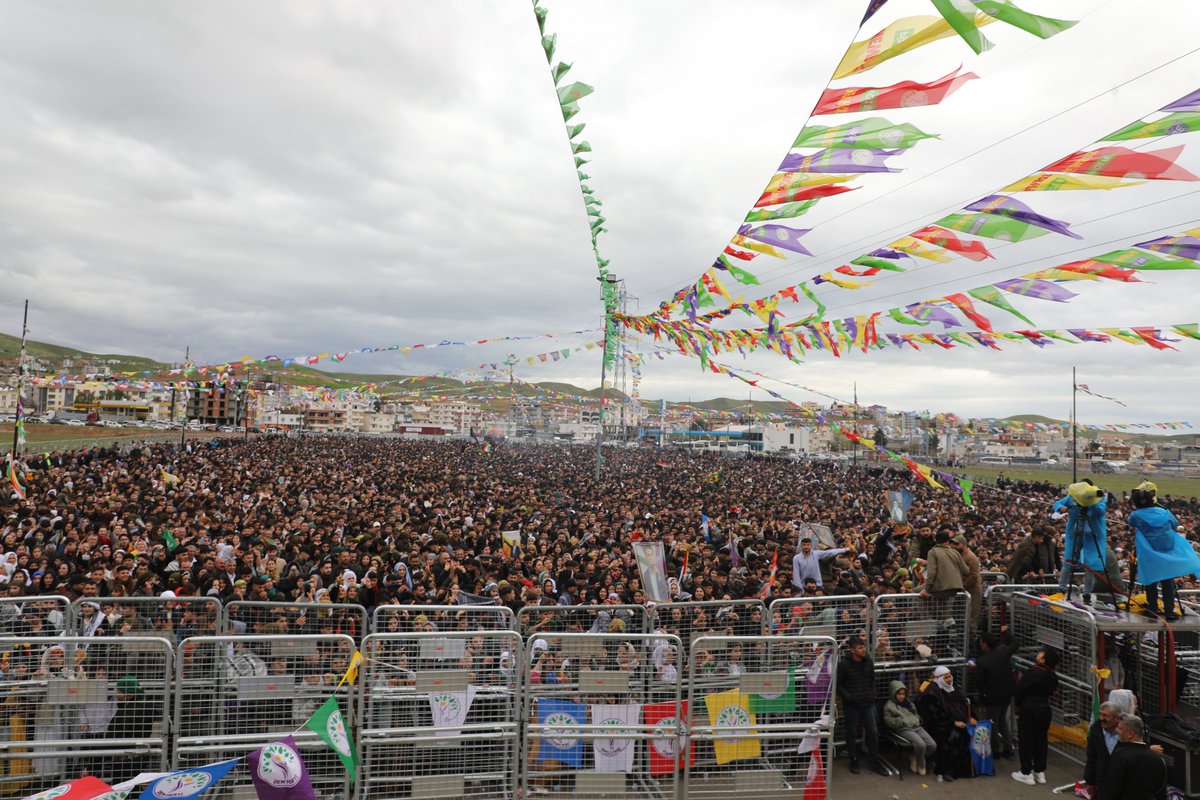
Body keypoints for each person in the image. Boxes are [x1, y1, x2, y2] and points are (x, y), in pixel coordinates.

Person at [1129, 481, 1200, 620]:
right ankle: (1169, 610)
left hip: (1149, 553)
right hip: (1166, 552)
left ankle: (1153, 609)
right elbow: (1174, 523)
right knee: (1167, 582)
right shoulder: (1164, 512)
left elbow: (1131, 522)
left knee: (1150, 581)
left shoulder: (1136, 515)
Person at [836, 636, 887, 776]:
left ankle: (874, 761)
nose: (863, 649)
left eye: (863, 646)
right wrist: (849, 697)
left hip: (868, 703)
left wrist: (873, 694)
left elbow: (872, 679)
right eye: (860, 647)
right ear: (852, 650)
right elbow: (838, 684)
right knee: (851, 733)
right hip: (852, 705)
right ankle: (854, 760)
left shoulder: (868, 662)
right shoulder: (844, 665)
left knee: (873, 732)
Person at [1011, 647, 1060, 786]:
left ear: (1043, 660)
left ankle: (1026, 772)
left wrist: (1019, 703)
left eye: (1041, 654)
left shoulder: (1033, 672)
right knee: (1041, 739)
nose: (1038, 654)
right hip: (1045, 709)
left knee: (1026, 740)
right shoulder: (1052, 675)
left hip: (1029, 709)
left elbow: (1021, 689)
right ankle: (1039, 771)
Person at [918, 665, 975, 782]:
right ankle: (947, 771)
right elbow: (936, 715)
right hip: (940, 726)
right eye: (946, 677)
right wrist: (953, 723)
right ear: (939, 678)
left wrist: (970, 718)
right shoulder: (932, 693)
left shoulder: (952, 689)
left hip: (957, 722)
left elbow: (962, 704)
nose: (949, 679)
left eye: (950, 676)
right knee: (954, 736)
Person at [1055, 480, 1108, 603]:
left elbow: (1100, 512)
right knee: (1068, 560)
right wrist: (1062, 508)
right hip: (1075, 532)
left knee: (1090, 564)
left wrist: (1090, 502)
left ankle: (1087, 593)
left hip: (1092, 534)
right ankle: (1061, 588)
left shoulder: (1098, 499)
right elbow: (1057, 504)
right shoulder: (1072, 497)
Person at [1096, 714, 1168, 800]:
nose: (1116, 730)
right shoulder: (1158, 760)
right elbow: (1161, 793)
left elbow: (1109, 791)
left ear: (1130, 734)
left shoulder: (1120, 757)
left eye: (1120, 728)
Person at [973, 632, 1016, 759]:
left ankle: (995, 750)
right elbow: (1015, 644)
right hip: (1006, 694)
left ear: (985, 644)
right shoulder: (1003, 650)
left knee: (993, 723)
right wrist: (1006, 632)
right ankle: (1008, 748)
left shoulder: (982, 662)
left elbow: (979, 681)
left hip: (992, 698)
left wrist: (973, 669)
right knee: (1002, 721)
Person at [883, 681, 936, 775]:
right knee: (920, 744)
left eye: (903, 694)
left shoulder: (908, 703)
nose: (901, 696)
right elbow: (888, 721)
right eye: (899, 694)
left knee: (932, 745)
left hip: (916, 726)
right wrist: (901, 721)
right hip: (904, 729)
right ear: (893, 693)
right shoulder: (889, 706)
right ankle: (921, 765)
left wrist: (917, 720)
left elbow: (915, 713)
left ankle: (915, 756)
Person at [1082, 702, 1121, 798]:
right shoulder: (1096, 730)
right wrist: (1089, 781)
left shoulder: (1126, 732)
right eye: (1100, 714)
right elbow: (1092, 757)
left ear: (1117, 718)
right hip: (1101, 782)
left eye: (1105, 715)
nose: (1101, 718)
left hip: (1121, 783)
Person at [919, 531, 968, 600]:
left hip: (940, 589)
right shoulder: (955, 552)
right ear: (948, 541)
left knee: (914, 592)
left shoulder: (933, 552)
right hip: (956, 588)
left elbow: (932, 573)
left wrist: (926, 589)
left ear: (935, 540)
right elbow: (966, 571)